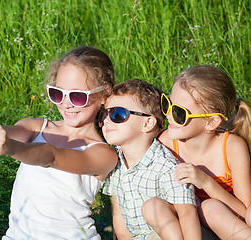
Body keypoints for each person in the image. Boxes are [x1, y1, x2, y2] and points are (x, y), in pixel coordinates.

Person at [0, 46, 118, 240]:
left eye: (78, 96)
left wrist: (11, 148)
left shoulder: (103, 154)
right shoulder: (36, 128)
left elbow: (52, 156)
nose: (66, 103)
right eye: (58, 94)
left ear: (104, 95)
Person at [158, 65, 251, 239]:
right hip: (190, 228)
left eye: (179, 113)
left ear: (211, 122)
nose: (169, 115)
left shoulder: (232, 148)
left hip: (229, 225)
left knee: (211, 209)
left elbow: (245, 212)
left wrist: (206, 183)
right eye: (167, 104)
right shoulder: (167, 143)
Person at [100, 79, 201, 240]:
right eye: (104, 114)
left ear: (147, 123)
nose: (106, 120)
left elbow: (187, 214)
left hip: (178, 235)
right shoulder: (114, 161)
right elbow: (118, 216)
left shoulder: (166, 166)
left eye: (117, 114)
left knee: (153, 207)